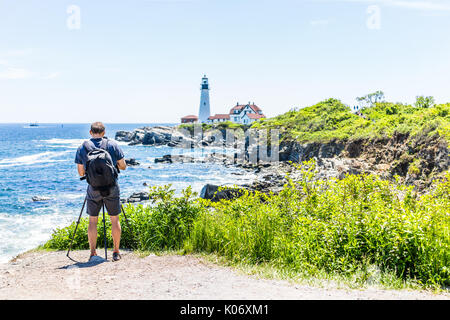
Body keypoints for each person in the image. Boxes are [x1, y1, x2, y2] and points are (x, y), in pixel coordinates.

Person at [75, 122, 127, 261]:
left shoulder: (83, 147)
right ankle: (116, 252)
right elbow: (123, 166)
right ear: (104, 133)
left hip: (93, 189)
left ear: (91, 132)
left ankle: (93, 253)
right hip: (112, 187)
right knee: (114, 219)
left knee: (92, 221)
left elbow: (81, 172)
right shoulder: (112, 145)